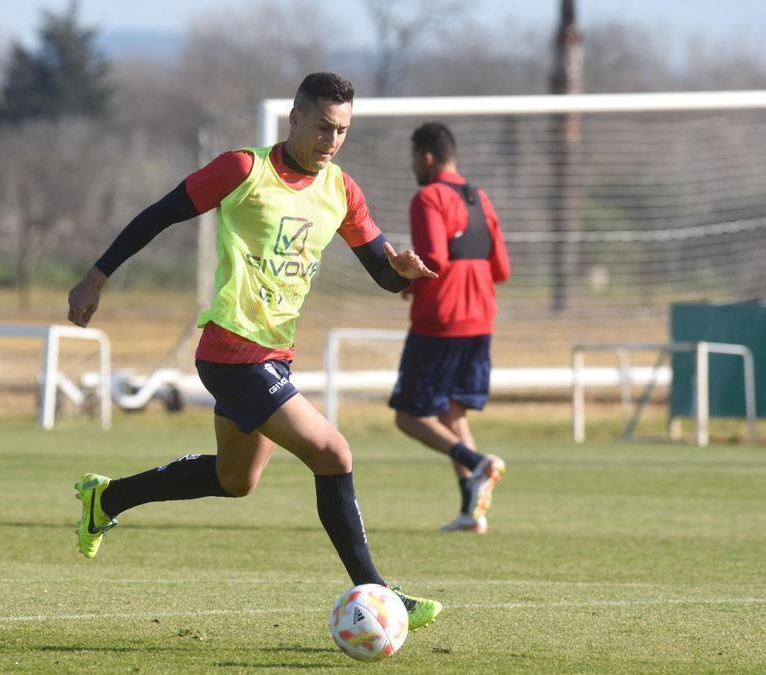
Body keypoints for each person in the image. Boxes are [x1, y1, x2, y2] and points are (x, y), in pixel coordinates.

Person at [67, 72, 444, 631]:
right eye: (322, 127)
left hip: (274, 354)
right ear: (294, 118)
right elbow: (158, 213)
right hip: (231, 351)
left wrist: (403, 274)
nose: (331, 140)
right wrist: (96, 277)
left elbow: (381, 275)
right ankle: (379, 593)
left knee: (235, 480)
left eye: (341, 131)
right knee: (334, 453)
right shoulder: (243, 169)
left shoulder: (341, 190)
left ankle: (108, 500)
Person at [389, 122, 511, 534]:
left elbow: (434, 259)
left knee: (408, 416)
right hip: (481, 318)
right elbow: (502, 269)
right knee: (451, 411)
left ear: (425, 157)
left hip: (441, 319)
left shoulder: (428, 197)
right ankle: (472, 513)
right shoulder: (481, 198)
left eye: (412, 159)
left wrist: (406, 282)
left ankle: (479, 463)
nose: (412, 167)